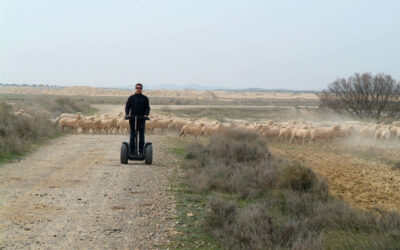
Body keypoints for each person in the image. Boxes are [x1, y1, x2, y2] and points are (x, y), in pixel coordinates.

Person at [125, 83, 150, 155]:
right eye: (137, 88)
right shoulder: (131, 98)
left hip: (141, 119)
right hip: (133, 119)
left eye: (140, 88)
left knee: (141, 136)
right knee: (132, 135)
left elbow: (147, 107)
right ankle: (132, 151)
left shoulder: (145, 98)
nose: (139, 89)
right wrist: (127, 114)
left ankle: (141, 151)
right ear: (135, 89)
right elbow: (127, 106)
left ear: (142, 89)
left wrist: (146, 114)